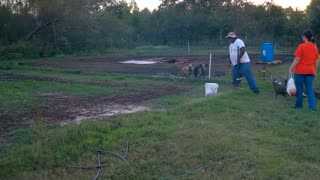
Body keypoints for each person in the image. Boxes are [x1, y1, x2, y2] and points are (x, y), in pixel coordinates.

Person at [289, 30, 319, 111]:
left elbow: (297, 59)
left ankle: (299, 106)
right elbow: (316, 61)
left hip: (299, 72)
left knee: (299, 89)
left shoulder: (301, 46)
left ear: (305, 37)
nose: (302, 38)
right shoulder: (315, 47)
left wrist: (291, 68)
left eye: (302, 36)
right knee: (309, 89)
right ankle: (312, 108)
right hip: (310, 72)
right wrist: (315, 72)